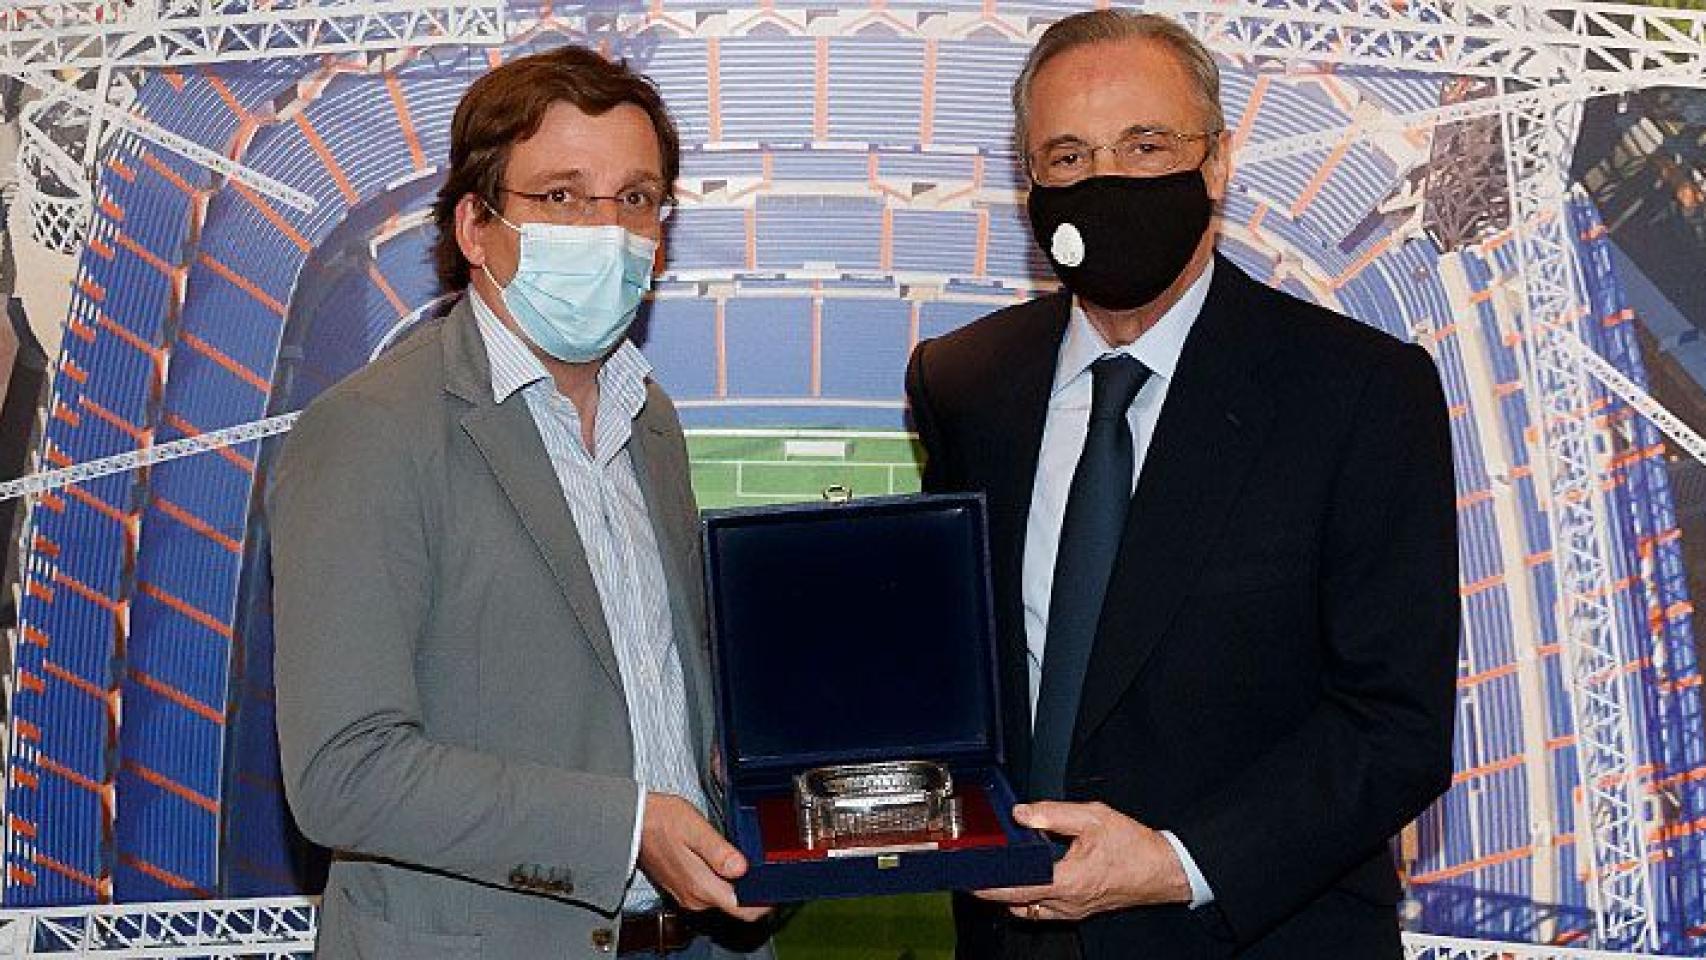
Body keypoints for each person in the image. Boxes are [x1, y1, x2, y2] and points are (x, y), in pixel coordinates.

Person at [905, 12, 1460, 959]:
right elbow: (962, 663)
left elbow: (1396, 724)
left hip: (1256, 937)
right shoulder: (963, 382)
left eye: (1145, 144)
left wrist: (1174, 861)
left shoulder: (1361, 390)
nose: (1106, 180)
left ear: (1218, 163)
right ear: (1029, 182)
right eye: (1069, 156)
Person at [270, 46, 771, 959]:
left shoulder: (648, 416)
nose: (605, 229)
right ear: (475, 225)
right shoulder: (370, 431)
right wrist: (626, 830)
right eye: (560, 196)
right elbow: (345, 771)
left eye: (635, 198)